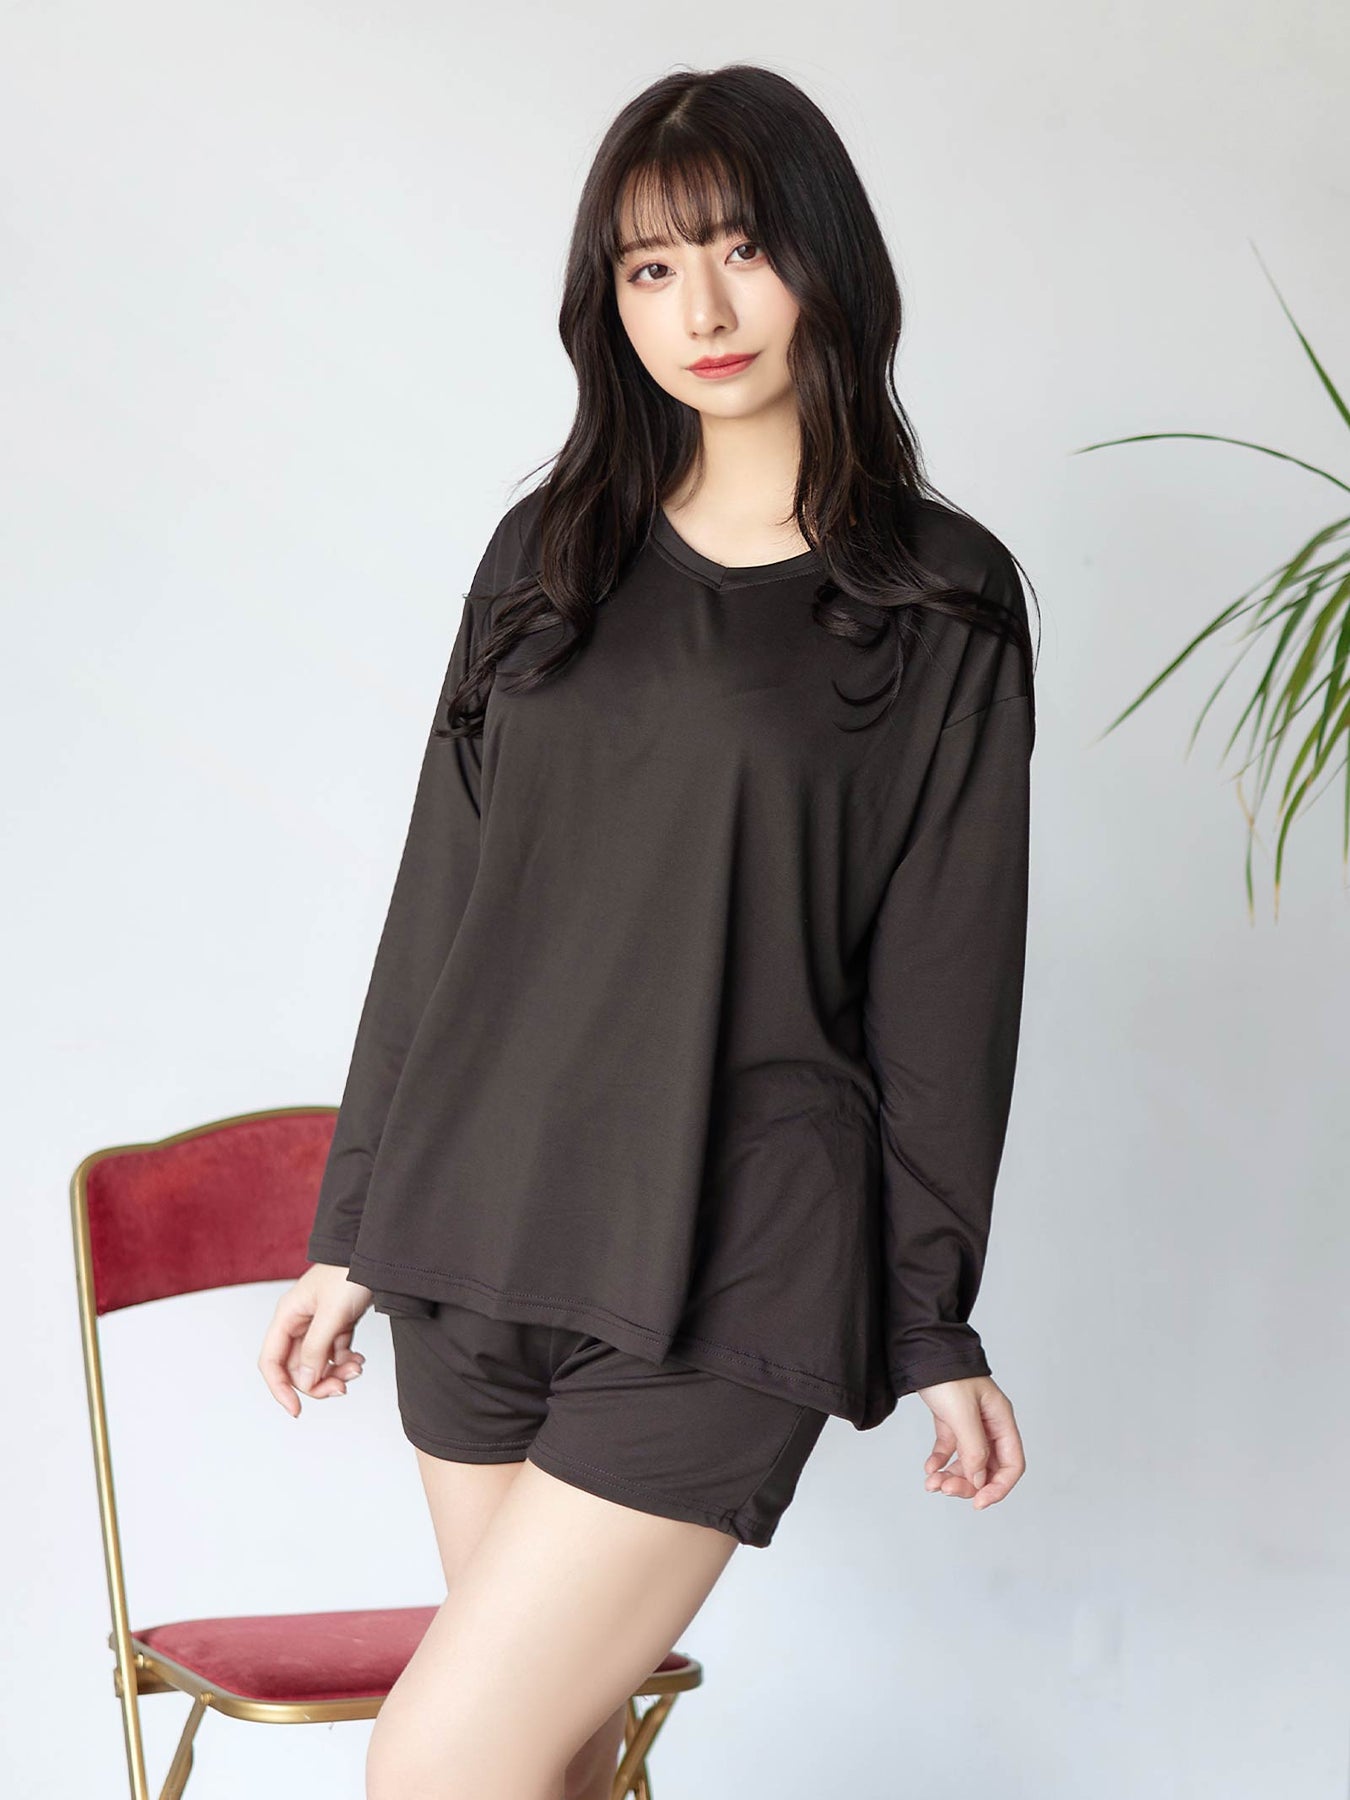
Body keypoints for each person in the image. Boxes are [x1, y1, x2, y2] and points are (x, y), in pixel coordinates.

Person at [258, 61, 1038, 1800]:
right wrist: (351, 1229)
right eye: (650, 267)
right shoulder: (545, 557)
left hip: (733, 1253)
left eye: (742, 249)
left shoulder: (937, 597)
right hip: (476, 1230)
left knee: (436, 1767)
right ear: (605, 299)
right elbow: (440, 902)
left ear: (825, 261)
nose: (701, 310)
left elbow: (945, 983)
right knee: (551, 1766)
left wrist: (931, 1321)